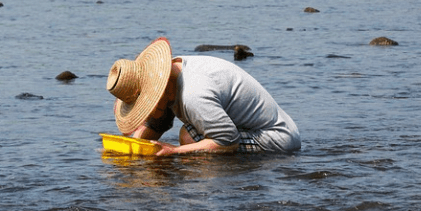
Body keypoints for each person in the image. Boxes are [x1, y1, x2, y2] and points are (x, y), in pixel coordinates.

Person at [106, 37, 300, 155]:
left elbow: (227, 141)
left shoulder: (193, 95)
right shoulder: (171, 72)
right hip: (248, 126)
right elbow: (158, 121)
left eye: (146, 106)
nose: (146, 111)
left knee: (189, 138)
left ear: (159, 90)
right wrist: (132, 149)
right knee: (190, 136)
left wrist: (173, 151)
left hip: (276, 139)